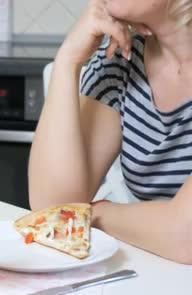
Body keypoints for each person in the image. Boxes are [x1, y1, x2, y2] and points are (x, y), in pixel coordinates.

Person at [29, 0, 192, 264]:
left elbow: (186, 236)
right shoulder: (123, 57)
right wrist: (68, 61)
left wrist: (97, 214)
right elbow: (54, 211)